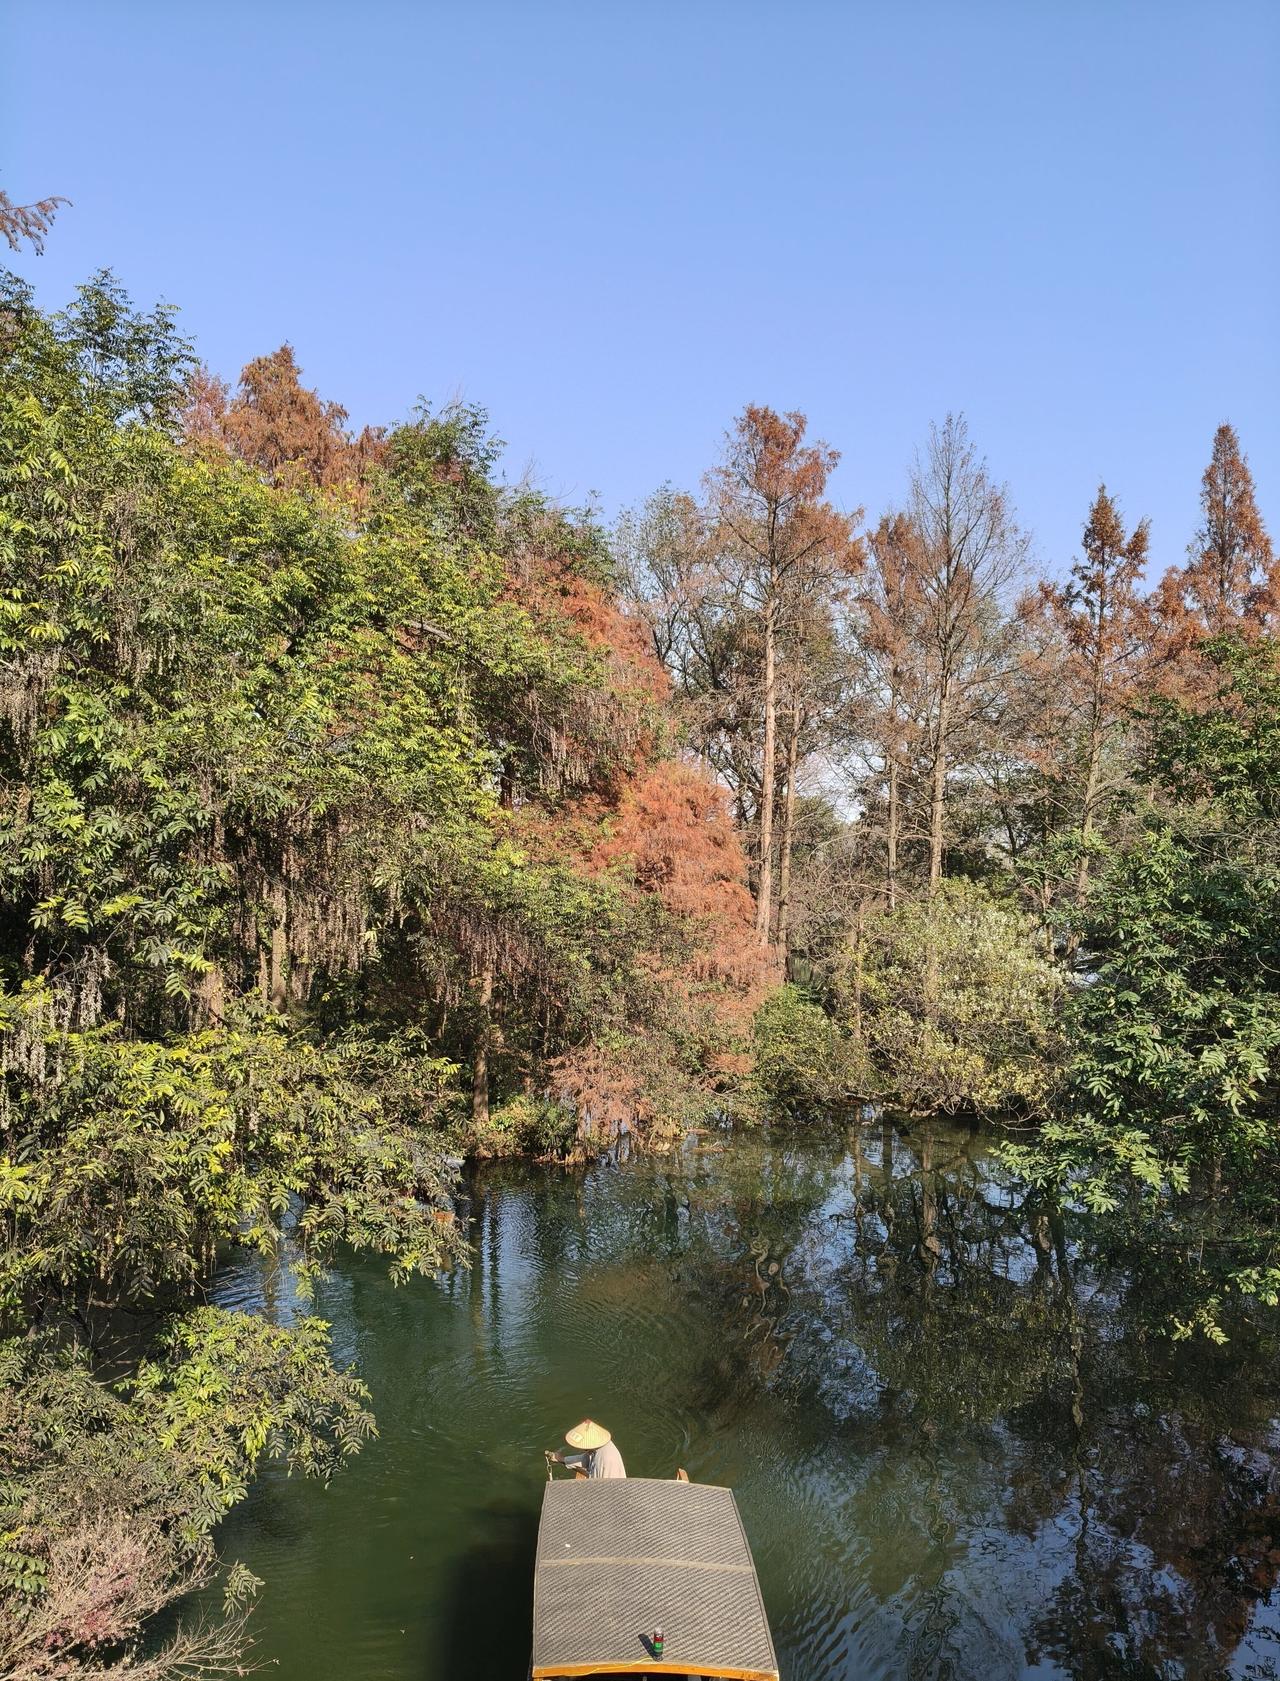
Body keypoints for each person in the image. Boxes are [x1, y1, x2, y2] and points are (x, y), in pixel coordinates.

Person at [550, 1418, 626, 1479]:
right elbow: (585, 1459)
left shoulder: (608, 1459)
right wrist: (561, 1459)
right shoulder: (597, 1447)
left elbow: (606, 1488)